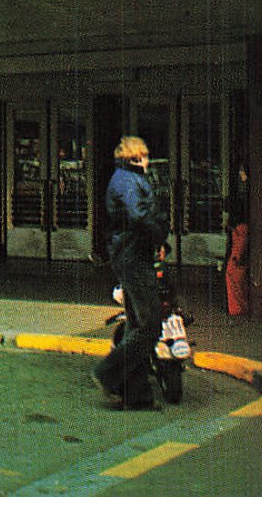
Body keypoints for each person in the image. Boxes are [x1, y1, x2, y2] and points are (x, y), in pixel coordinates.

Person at [94, 136, 170, 409]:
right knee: (150, 326)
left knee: (137, 328)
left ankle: (137, 396)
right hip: (133, 256)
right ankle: (108, 372)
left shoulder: (129, 178)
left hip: (133, 253)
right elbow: (139, 217)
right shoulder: (127, 180)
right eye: (145, 154)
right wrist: (160, 233)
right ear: (134, 157)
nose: (148, 159)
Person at [224, 199, 249, 316]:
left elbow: (240, 243)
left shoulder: (239, 227)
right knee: (238, 284)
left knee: (234, 283)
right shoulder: (242, 226)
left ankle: (237, 308)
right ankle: (239, 307)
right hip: (237, 257)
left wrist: (236, 257)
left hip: (235, 257)